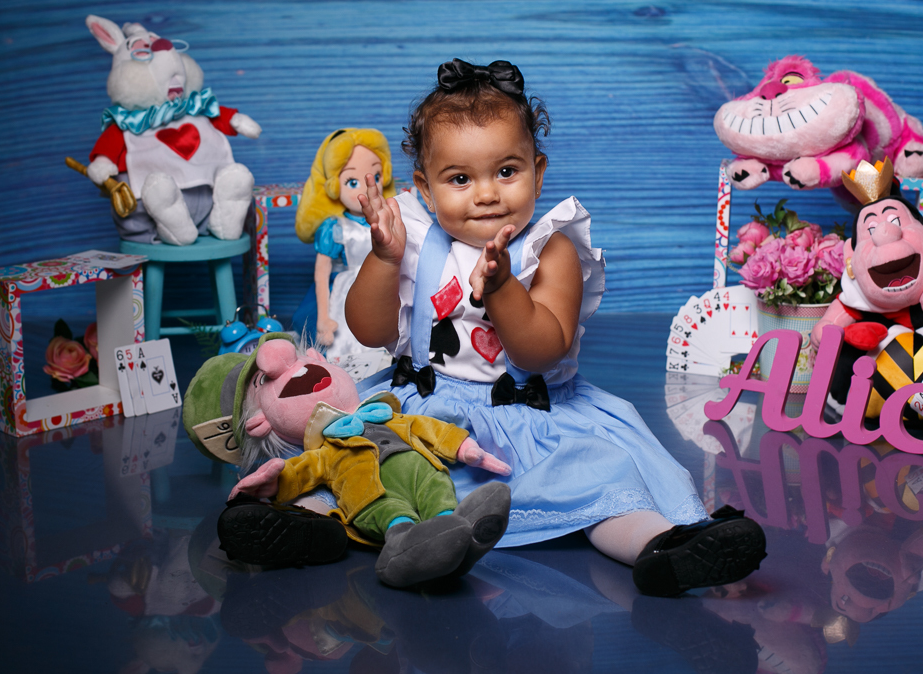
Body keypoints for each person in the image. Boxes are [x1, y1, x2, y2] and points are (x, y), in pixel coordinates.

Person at [346, 58, 767, 597]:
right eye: (459, 179)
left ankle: (665, 548)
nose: (486, 194)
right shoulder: (414, 241)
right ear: (425, 189)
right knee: (367, 464)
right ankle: (344, 529)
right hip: (432, 412)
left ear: (537, 173)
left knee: (605, 477)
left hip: (534, 416)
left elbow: (542, 350)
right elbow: (369, 329)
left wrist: (501, 290)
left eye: (506, 171)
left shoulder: (551, 250)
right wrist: (383, 260)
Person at [293, 128, 396, 370]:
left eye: (376, 177)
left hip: (382, 284)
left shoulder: (388, 218)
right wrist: (323, 318)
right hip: (346, 290)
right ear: (333, 186)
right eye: (352, 181)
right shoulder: (334, 228)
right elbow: (320, 275)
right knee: (344, 344)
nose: (365, 189)